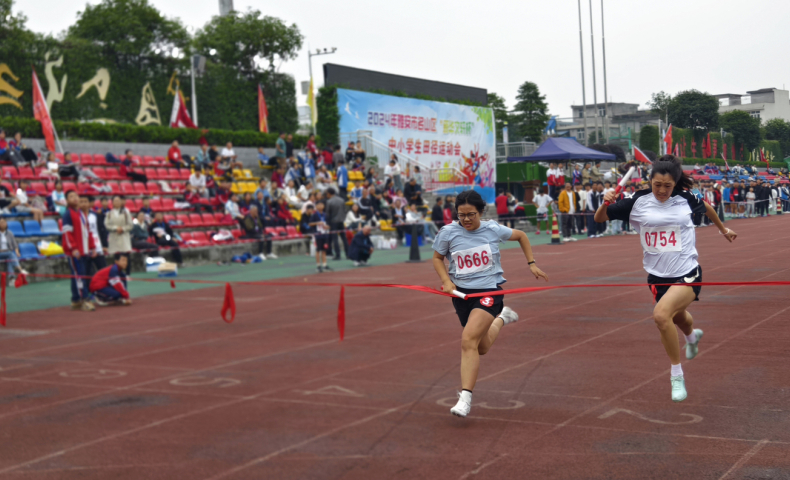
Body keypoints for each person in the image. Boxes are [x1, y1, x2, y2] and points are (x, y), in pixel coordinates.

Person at [595, 154, 737, 402]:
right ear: (650, 181)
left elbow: (709, 209)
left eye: (667, 186)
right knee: (677, 317)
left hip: (688, 272)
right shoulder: (636, 201)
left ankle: (676, 374)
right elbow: (599, 219)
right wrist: (605, 203)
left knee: (661, 315)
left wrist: (723, 229)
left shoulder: (685, 198)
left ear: (676, 183)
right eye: (657, 185)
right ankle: (692, 336)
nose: (662, 190)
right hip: (657, 277)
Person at [433, 190, 549, 418]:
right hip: (461, 295)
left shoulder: (492, 229)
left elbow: (522, 237)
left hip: (488, 293)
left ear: (481, 212)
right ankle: (503, 318)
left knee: (467, 341)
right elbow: (438, 258)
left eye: (471, 215)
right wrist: (446, 281)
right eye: (461, 215)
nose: (466, 219)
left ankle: (465, 398)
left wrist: (532, 264)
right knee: (481, 347)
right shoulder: (448, 232)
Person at [62, 190, 97, 311]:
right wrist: (73, 248)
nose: (75, 198)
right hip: (75, 252)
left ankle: (75, 299)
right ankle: (85, 300)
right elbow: (67, 233)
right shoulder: (68, 214)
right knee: (79, 276)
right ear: (67, 201)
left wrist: (92, 247)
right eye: (71, 197)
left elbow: (88, 232)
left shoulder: (82, 214)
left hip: (85, 250)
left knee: (76, 275)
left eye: (76, 195)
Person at [79, 196, 107, 275]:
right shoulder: (77, 217)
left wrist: (104, 245)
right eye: (81, 202)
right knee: (87, 273)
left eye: (85, 201)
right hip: (84, 248)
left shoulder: (95, 216)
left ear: (89, 204)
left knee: (103, 269)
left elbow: (102, 231)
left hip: (97, 246)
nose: (84, 204)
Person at [104, 196, 133, 270]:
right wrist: (115, 228)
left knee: (126, 256)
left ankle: (127, 273)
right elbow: (106, 225)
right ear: (112, 203)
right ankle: (116, 273)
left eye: (118, 201)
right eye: (115, 201)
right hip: (114, 236)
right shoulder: (109, 213)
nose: (117, 202)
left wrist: (123, 229)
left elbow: (130, 225)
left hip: (124, 236)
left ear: (121, 202)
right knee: (116, 257)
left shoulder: (126, 212)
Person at [0, 218, 27, 285]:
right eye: (1, 223)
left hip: (8, 253)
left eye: (4, 222)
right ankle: (21, 270)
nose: (3, 224)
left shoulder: (10, 233)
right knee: (11, 254)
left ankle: (11, 279)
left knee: (10, 259)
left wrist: (17, 252)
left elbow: (15, 245)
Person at [308, 202, 333, 272]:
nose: (320, 206)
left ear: (324, 206)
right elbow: (310, 223)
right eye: (318, 205)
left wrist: (327, 226)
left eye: (322, 205)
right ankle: (318, 265)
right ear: (316, 206)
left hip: (325, 234)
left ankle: (324, 265)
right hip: (318, 235)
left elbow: (329, 225)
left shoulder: (326, 215)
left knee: (324, 250)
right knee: (318, 250)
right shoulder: (314, 215)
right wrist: (317, 223)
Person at [325, 188, 348, 260]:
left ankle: (338, 255)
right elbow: (344, 210)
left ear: (329, 193)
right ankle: (348, 254)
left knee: (335, 239)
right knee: (344, 238)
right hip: (341, 221)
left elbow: (327, 214)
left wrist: (328, 223)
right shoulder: (342, 200)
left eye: (327, 194)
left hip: (333, 222)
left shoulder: (329, 202)